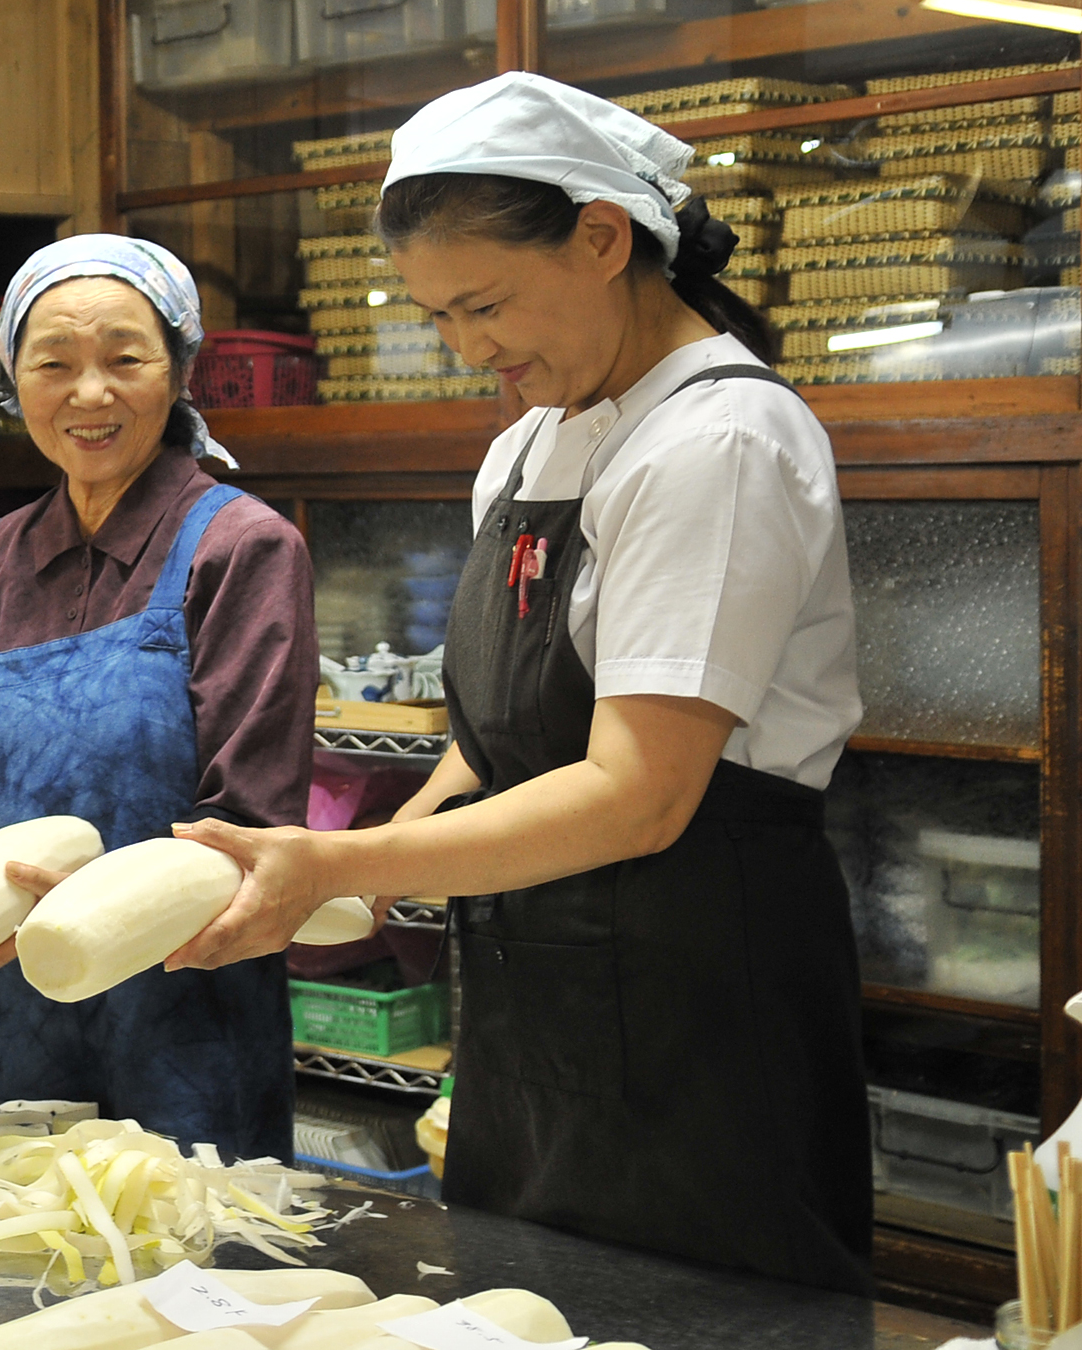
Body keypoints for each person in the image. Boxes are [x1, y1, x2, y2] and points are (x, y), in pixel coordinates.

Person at [165, 73, 869, 1292]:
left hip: (699, 1003)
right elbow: (499, 746)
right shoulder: (527, 447)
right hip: (534, 1001)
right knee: (514, 1301)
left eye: (483, 303)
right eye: (438, 317)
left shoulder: (720, 441)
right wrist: (379, 872)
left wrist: (342, 863)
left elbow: (639, 793)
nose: (470, 347)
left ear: (604, 237)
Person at [0, 235, 319, 1160]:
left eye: (125, 359)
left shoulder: (241, 550)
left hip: (187, 1027)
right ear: (14, 382)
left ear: (182, 370)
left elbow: (252, 829)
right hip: (2, 1023)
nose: (90, 394)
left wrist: (97, 904)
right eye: (54, 364)